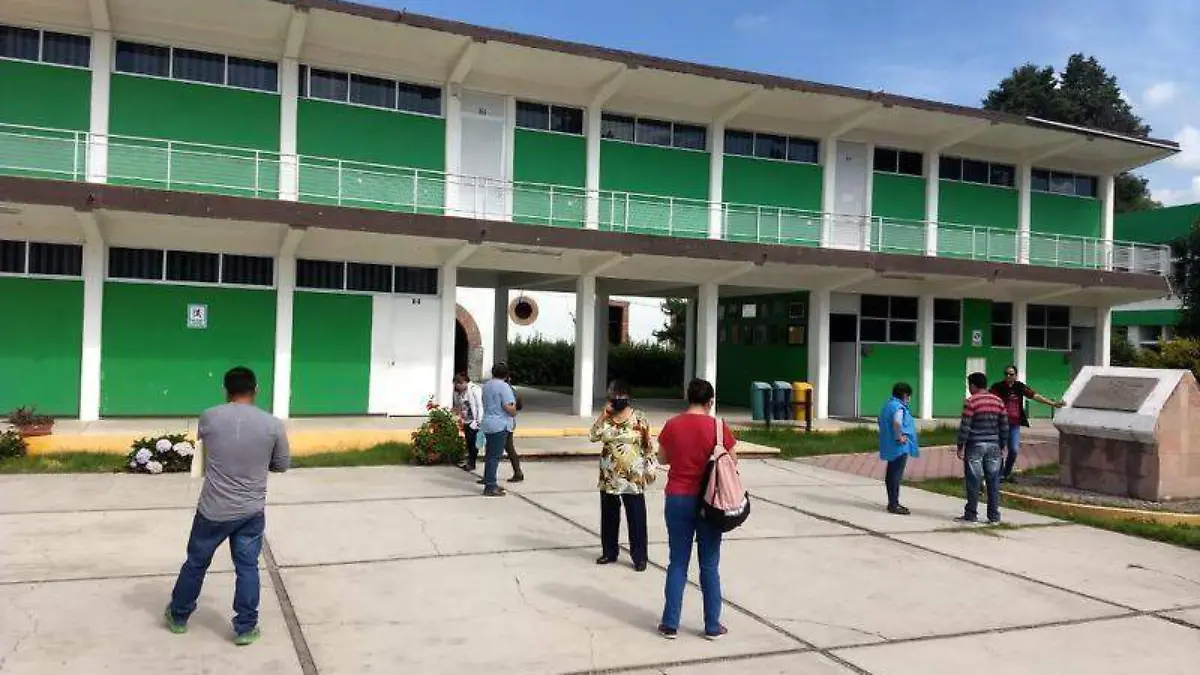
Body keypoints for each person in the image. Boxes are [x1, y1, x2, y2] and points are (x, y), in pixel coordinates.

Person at [165, 367, 290, 645]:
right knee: (247, 568)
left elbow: (208, 448)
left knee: (196, 563)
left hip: (213, 510)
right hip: (251, 511)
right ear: (255, 390)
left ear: (226, 390)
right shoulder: (273, 424)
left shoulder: (209, 416)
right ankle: (245, 628)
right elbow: (282, 464)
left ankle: (179, 616)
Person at [656, 378, 735, 641]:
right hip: (710, 502)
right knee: (709, 564)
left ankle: (670, 623)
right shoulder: (718, 427)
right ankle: (712, 625)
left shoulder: (672, 425)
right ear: (710, 401)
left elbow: (662, 458)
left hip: (678, 497)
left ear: (688, 397)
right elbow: (732, 462)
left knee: (678, 561)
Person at [589, 380, 654, 571]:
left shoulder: (639, 418)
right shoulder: (607, 419)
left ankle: (639, 557)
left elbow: (648, 446)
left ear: (627, 397)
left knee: (636, 517)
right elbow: (593, 436)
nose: (616, 399)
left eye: (620, 396)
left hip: (632, 477)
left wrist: (649, 470)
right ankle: (609, 551)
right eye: (613, 396)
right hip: (609, 476)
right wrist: (603, 415)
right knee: (609, 515)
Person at [990, 365, 1064, 482]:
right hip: (1000, 424)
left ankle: (1006, 473)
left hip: (1014, 424)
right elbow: (989, 398)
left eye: (1011, 374)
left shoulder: (1019, 386)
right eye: (1006, 374)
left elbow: (1034, 396)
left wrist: (1052, 403)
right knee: (999, 450)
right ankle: (998, 475)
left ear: (1015, 375)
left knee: (1014, 450)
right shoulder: (998, 387)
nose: (1008, 376)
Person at [956, 372, 1009, 525]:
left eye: (969, 385)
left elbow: (965, 426)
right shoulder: (998, 401)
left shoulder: (971, 402)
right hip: (994, 445)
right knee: (993, 481)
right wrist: (1003, 445)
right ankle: (994, 516)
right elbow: (1004, 425)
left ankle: (971, 514)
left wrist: (960, 446)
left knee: (974, 480)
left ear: (973, 385)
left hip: (975, 444)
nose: (969, 388)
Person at [878, 382, 919, 515]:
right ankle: (894, 504)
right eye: (909, 396)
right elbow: (897, 422)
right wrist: (899, 437)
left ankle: (892, 501)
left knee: (890, 474)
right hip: (899, 447)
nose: (910, 399)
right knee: (896, 475)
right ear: (905, 395)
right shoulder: (899, 407)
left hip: (889, 445)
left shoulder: (888, 405)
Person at [479, 362, 518, 497]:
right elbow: (508, 407)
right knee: (494, 457)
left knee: (489, 454)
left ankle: (488, 480)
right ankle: (490, 486)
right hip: (500, 424)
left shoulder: (487, 385)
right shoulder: (504, 387)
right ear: (506, 374)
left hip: (488, 422)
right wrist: (514, 411)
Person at [454, 373, 483, 472]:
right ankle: (470, 461)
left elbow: (480, 405)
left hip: (474, 421)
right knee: (469, 442)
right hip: (467, 420)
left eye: (458, 385)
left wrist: (479, 420)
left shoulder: (474, 389)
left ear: (463, 382)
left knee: (473, 443)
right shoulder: (462, 392)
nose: (457, 387)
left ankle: (472, 462)